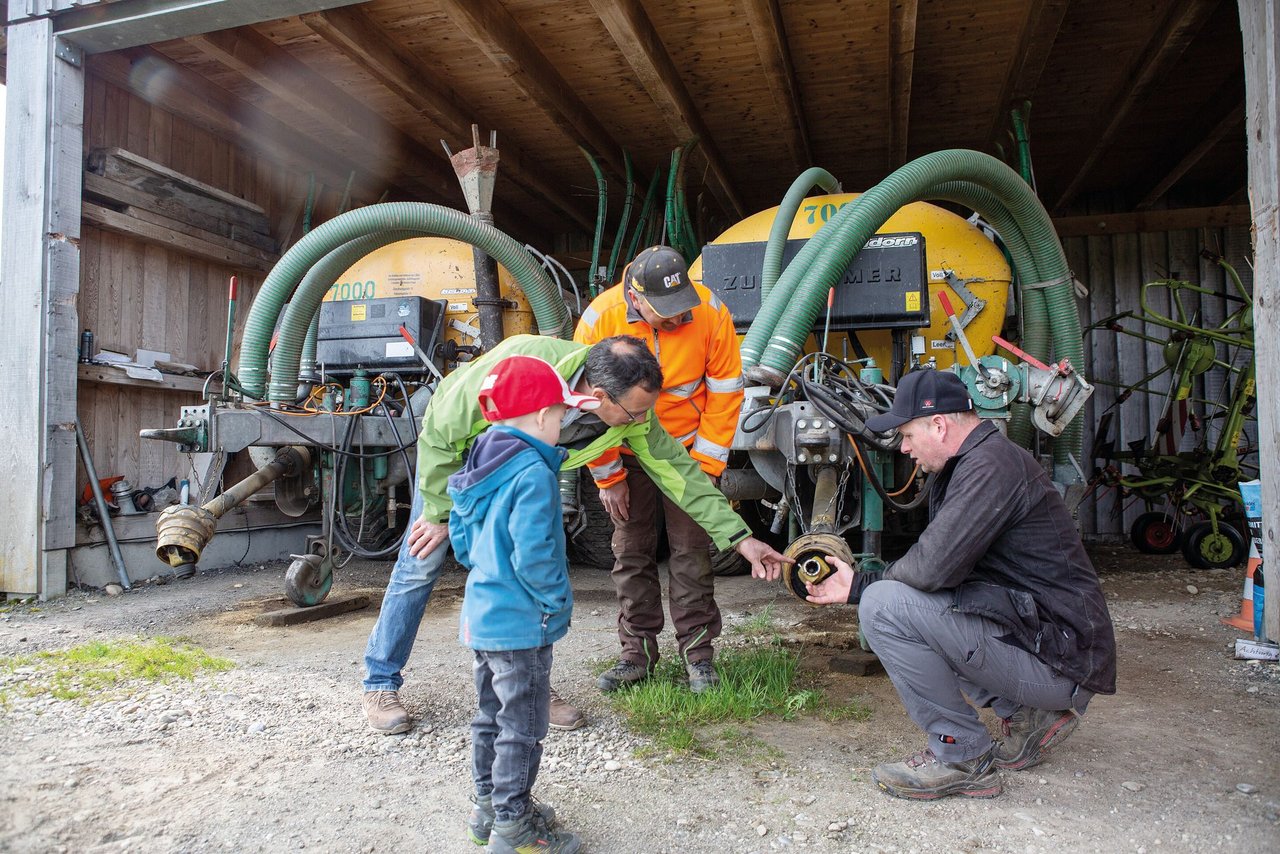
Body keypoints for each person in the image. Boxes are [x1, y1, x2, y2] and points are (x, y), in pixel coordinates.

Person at [362, 333, 789, 734]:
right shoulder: (525, 363)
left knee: (535, 572)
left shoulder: (628, 407)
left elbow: (680, 474)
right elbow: (442, 428)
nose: (643, 420)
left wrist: (741, 539)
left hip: (531, 476)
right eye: (636, 412)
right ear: (598, 397)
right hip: (462, 460)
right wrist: (438, 511)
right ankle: (380, 681)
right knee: (422, 562)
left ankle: (530, 688)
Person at [804, 369, 1116, 800]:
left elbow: (931, 568)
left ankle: (962, 756)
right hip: (1053, 647)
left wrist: (860, 585)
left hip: (1060, 658)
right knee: (918, 603)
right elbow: (942, 570)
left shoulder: (990, 466)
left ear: (938, 423)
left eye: (908, 434)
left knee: (883, 605)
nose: (905, 448)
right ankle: (1029, 716)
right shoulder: (980, 461)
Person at [574, 245, 744, 694]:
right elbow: (587, 409)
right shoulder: (599, 318)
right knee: (631, 553)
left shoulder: (708, 309)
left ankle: (699, 658)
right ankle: (637, 655)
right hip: (626, 454)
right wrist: (608, 476)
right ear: (634, 297)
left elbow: (726, 391)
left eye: (680, 308)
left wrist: (705, 466)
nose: (676, 319)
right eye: (664, 313)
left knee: (692, 554)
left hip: (686, 455)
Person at [450, 354, 595, 853]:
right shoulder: (532, 472)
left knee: (490, 716)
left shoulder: (479, 461)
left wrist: (488, 567)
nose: (560, 425)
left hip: (482, 615)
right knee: (524, 726)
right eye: (559, 416)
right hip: (520, 625)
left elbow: (462, 540)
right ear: (539, 417)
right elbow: (534, 552)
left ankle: (487, 808)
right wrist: (555, 601)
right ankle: (514, 827)